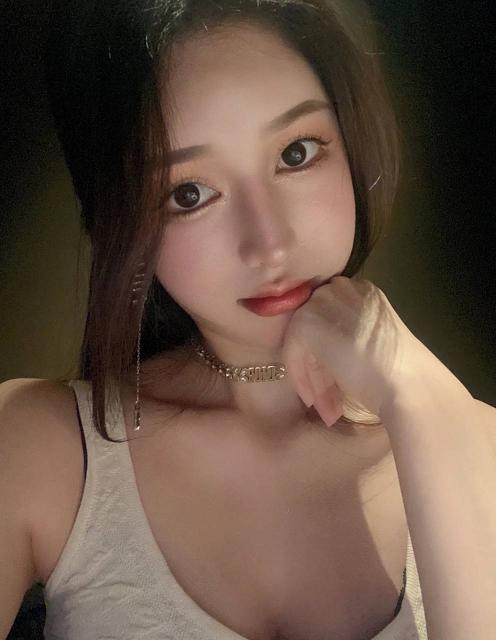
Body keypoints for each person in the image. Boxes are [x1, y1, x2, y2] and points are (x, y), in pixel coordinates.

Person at [0, 0, 436, 638]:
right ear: (122, 223)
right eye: (189, 194)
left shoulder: (465, 443)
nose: (269, 245)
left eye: (296, 153)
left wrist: (425, 405)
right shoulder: (42, 446)